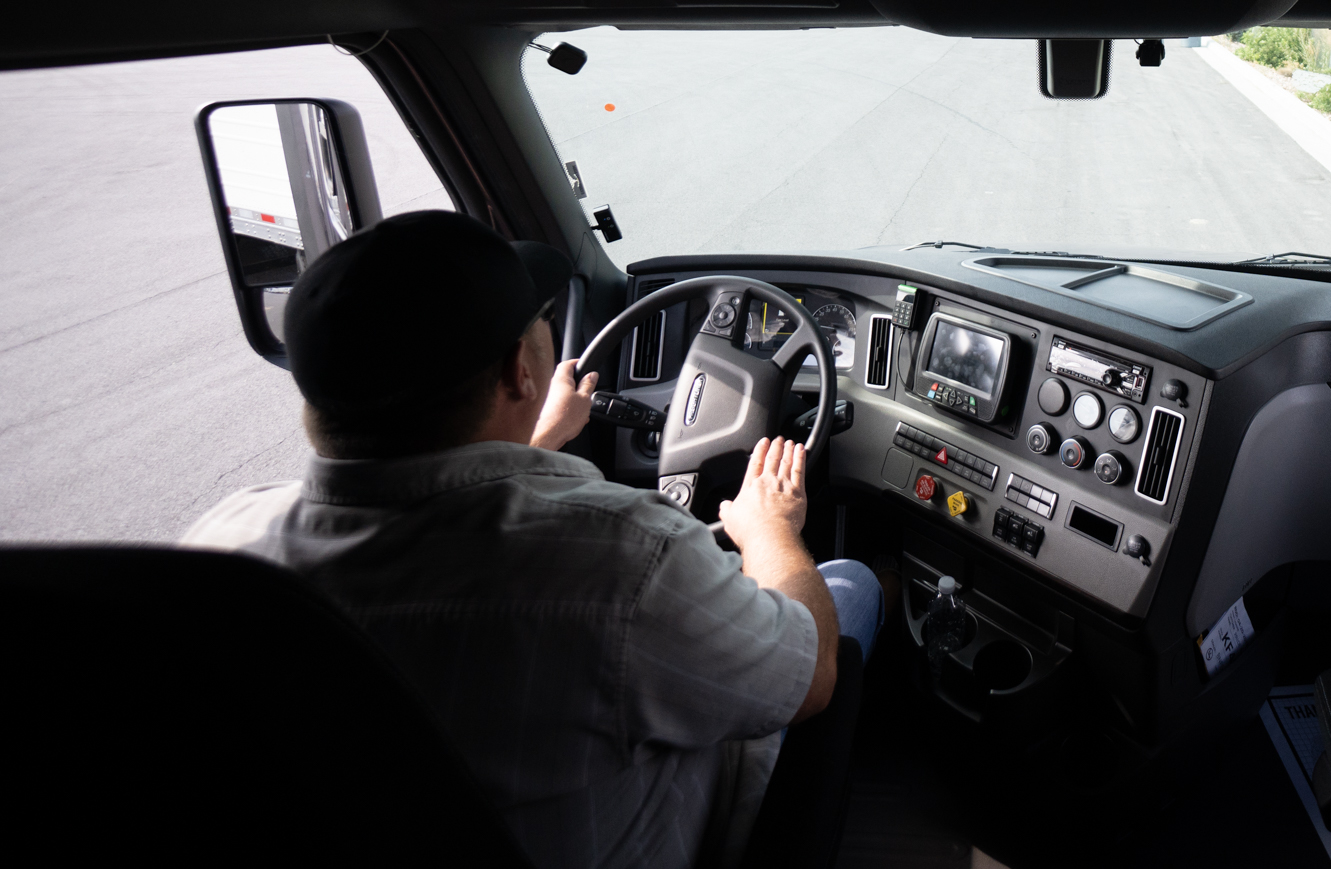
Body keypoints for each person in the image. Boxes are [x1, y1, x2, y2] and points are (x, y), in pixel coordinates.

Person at [182, 211, 882, 869]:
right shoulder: (624, 560)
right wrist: (771, 531)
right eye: (542, 321)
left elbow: (427, 506)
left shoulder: (223, 545)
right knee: (846, 588)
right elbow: (813, 677)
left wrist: (533, 436)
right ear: (521, 370)